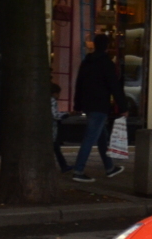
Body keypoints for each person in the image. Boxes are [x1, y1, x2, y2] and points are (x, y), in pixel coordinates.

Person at [70, 34, 127, 183]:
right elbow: (114, 86)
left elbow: (79, 84)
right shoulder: (106, 63)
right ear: (107, 46)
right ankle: (78, 170)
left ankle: (109, 167)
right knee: (90, 138)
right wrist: (123, 106)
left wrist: (77, 104)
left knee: (102, 137)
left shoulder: (86, 62)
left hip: (88, 105)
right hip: (100, 105)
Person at [51, 83, 72, 172]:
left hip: (50, 129)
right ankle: (63, 166)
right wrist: (67, 114)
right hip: (52, 129)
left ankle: (64, 166)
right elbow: (55, 115)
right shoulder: (52, 101)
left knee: (56, 149)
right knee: (56, 148)